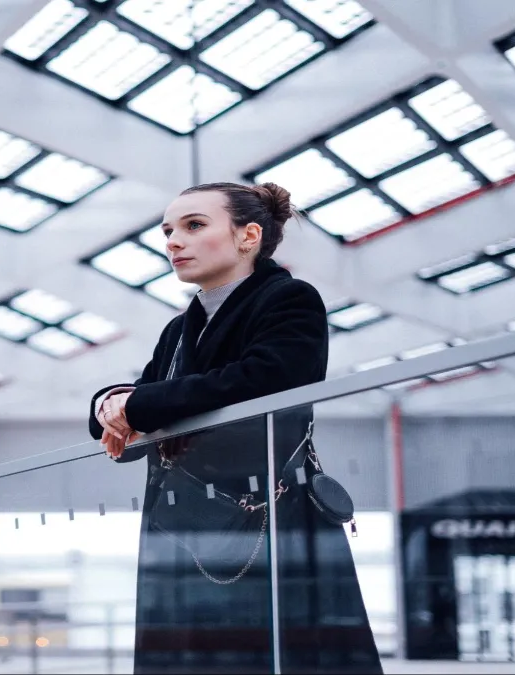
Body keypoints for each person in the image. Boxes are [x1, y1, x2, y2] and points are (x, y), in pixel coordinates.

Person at [87, 182, 381, 674]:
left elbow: (260, 380)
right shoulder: (179, 328)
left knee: (268, 653)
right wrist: (111, 404)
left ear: (248, 236)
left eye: (194, 225)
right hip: (186, 523)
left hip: (267, 517)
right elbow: (147, 394)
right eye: (168, 231)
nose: (173, 241)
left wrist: (136, 405)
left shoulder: (289, 299)